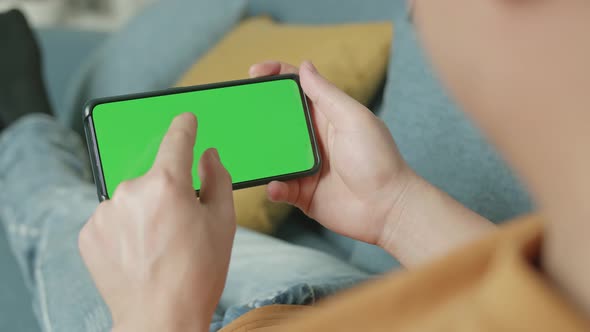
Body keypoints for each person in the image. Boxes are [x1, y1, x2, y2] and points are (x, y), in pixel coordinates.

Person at [1, 0, 589, 330]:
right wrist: (392, 205)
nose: (415, 14)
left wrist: (154, 311)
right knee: (119, 217)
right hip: (338, 294)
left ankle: (22, 127)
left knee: (69, 213)